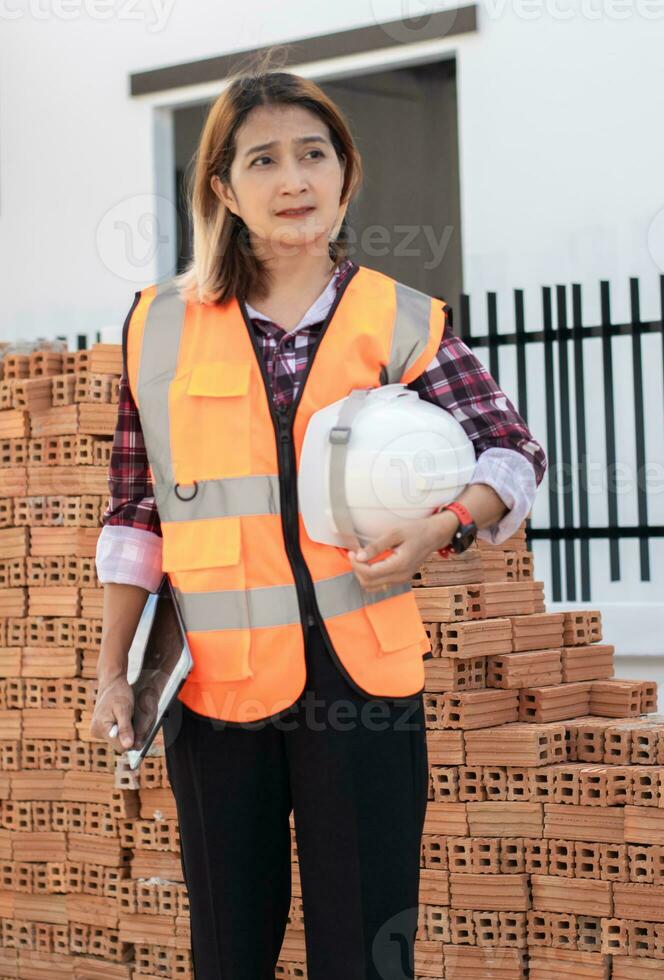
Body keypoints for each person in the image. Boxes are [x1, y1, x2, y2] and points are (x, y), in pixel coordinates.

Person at [91, 55, 547, 980]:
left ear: (346, 173)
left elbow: (512, 453)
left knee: (366, 953)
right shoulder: (160, 327)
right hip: (215, 692)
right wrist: (113, 670)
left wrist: (448, 524)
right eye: (262, 160)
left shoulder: (401, 317)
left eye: (314, 154)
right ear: (223, 186)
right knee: (229, 952)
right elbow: (137, 509)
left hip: (362, 687)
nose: (293, 180)